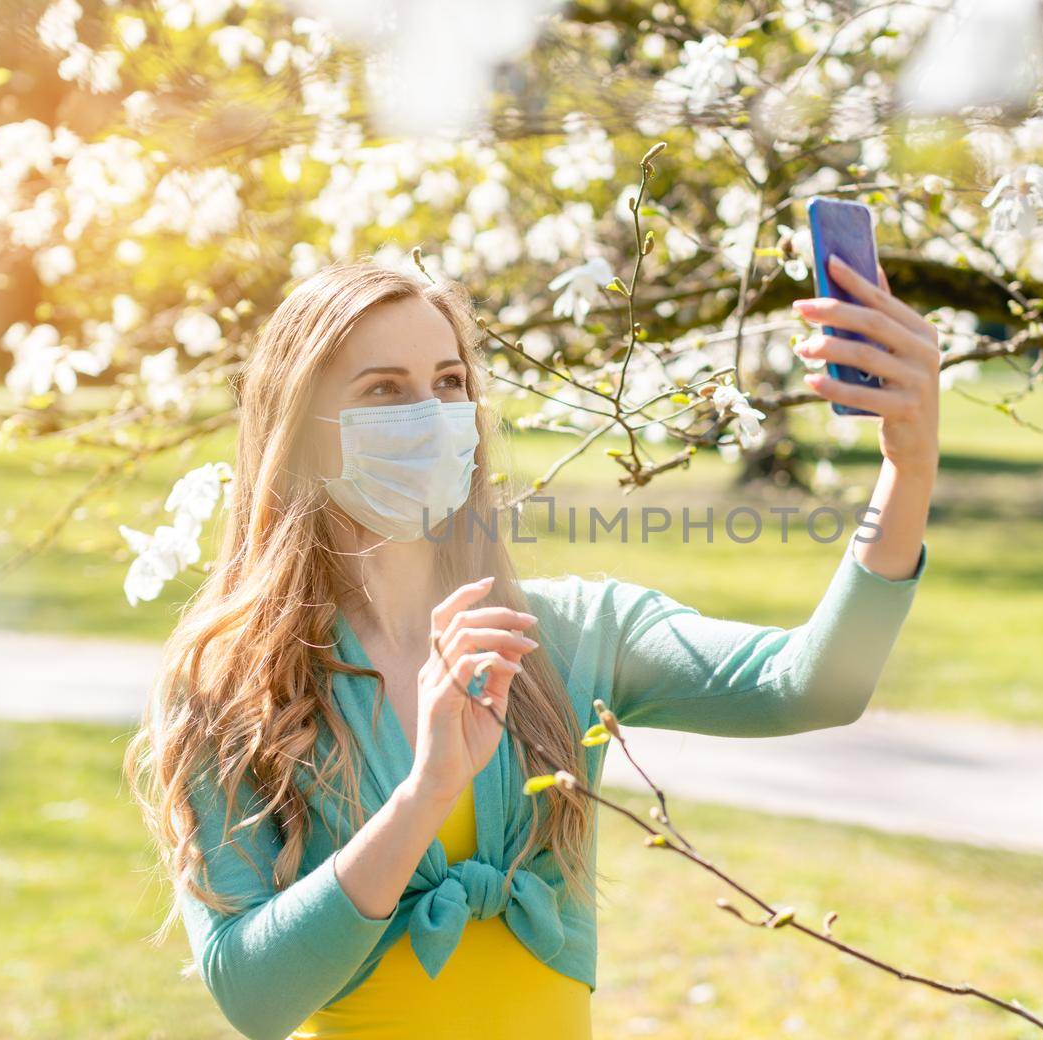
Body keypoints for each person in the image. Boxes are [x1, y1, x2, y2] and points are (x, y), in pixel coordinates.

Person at [123, 254, 939, 1040]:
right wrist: (425, 794)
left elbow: (815, 684)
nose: (432, 416)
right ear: (301, 429)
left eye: (449, 384)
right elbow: (254, 999)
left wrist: (907, 470)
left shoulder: (572, 634)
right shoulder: (232, 681)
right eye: (385, 391)